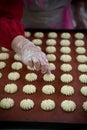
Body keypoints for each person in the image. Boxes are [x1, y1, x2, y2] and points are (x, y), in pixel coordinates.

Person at [0, 0, 86, 74]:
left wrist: (78, 7)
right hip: (20, 25)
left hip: (61, 20)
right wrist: (22, 44)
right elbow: (3, 14)